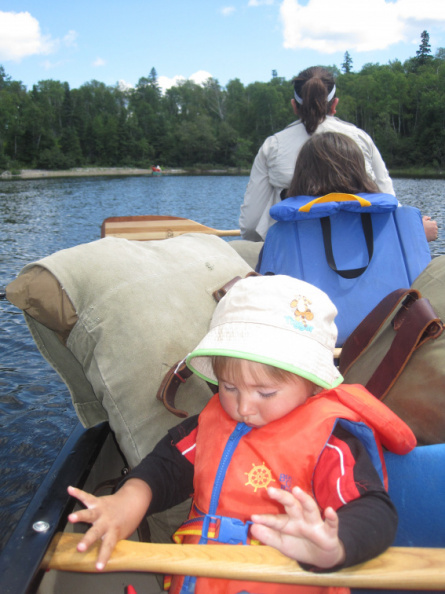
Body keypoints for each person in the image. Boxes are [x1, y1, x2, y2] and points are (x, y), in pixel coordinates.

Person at [67, 275, 416, 594]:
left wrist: (333, 543)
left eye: (265, 393)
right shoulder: (211, 423)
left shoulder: (332, 441)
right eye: (229, 387)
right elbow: (165, 468)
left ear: (313, 385)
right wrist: (128, 500)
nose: (244, 407)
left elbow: (375, 510)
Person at [239, 66, 438, 243]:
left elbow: (250, 224)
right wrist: (414, 230)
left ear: (294, 106)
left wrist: (261, 246)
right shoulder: (360, 139)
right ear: (334, 104)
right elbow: (388, 202)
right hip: (358, 254)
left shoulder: (272, 145)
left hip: (295, 254)